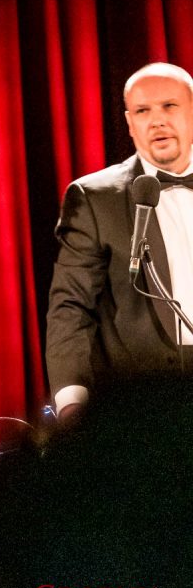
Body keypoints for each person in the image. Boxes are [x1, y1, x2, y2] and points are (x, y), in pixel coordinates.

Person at [46, 62, 193, 423]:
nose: (156, 120)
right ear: (129, 124)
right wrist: (72, 406)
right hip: (146, 406)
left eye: (169, 106)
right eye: (143, 111)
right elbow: (70, 309)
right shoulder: (95, 198)